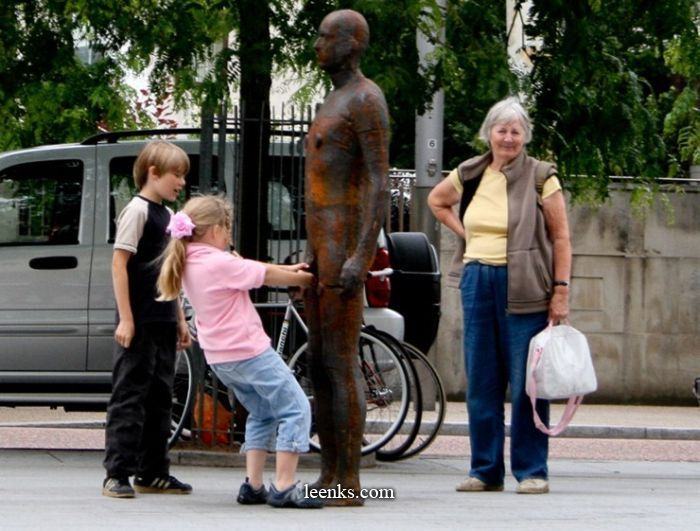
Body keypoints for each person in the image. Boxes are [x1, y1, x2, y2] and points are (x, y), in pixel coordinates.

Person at [428, 97, 572, 495]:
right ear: (488, 133)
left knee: (528, 382)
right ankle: (485, 469)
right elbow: (436, 200)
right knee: (481, 381)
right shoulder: (471, 172)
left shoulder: (542, 176)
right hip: (477, 281)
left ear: (525, 136)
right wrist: (465, 235)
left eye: (516, 131)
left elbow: (561, 237)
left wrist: (560, 290)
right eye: (501, 130)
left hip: (526, 285)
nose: (508, 138)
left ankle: (531, 470)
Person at [157, 195, 322, 509]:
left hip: (221, 358)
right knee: (296, 408)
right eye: (228, 229)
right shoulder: (217, 262)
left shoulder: (189, 259)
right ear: (216, 230)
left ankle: (254, 485)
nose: (230, 236)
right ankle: (285, 486)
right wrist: (303, 277)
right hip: (249, 351)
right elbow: (263, 275)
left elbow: (249, 267)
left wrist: (287, 269)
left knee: (262, 412)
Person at [304, 8, 390, 504]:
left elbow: (379, 181)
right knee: (317, 363)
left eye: (324, 36)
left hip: (344, 247)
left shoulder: (365, 99)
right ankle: (329, 470)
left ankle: (351, 480)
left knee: (339, 362)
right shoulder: (331, 100)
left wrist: (362, 254)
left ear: (351, 44)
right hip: (322, 247)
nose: (317, 43)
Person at [103, 140, 193, 498]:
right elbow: (119, 264)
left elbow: (169, 273)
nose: (181, 182)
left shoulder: (169, 217)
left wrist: (181, 320)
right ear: (153, 173)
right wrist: (126, 319)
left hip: (162, 320)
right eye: (176, 174)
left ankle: (153, 471)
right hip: (139, 320)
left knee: (160, 397)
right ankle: (117, 472)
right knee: (130, 395)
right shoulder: (137, 211)